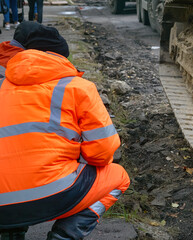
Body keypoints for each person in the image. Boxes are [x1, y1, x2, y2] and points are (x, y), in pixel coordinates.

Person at [0, 22, 130, 240]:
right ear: (61, 58)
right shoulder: (78, 88)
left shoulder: (3, 86)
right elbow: (102, 153)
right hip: (51, 197)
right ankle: (63, 237)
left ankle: (11, 234)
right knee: (119, 177)